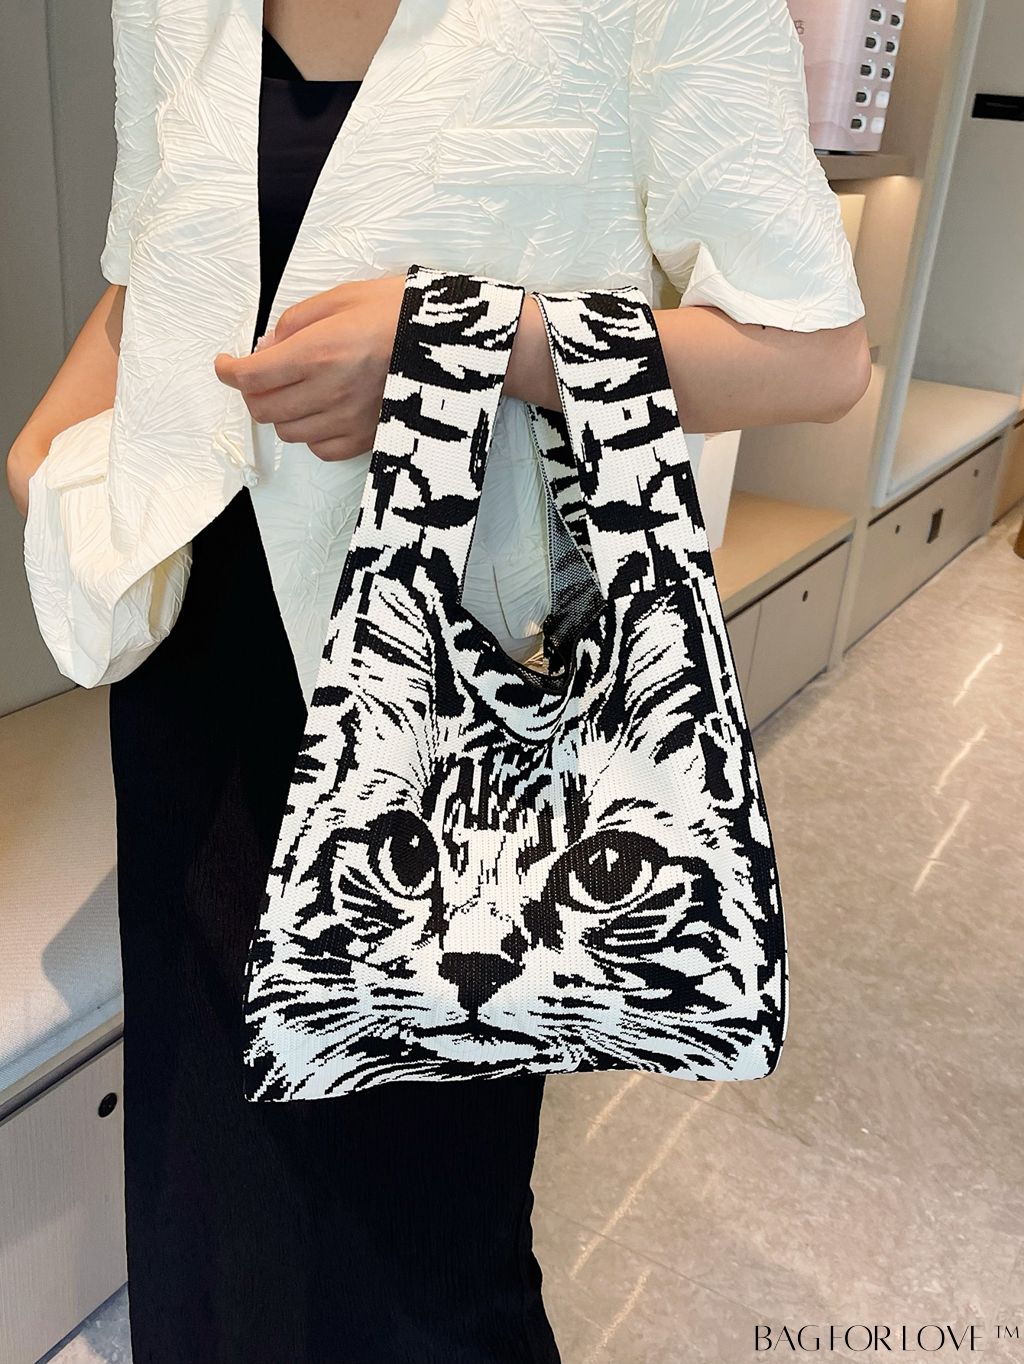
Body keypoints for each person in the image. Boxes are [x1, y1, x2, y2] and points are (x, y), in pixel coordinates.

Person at [7, 1, 870, 1360]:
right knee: (205, 1195)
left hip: (460, 697)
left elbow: (814, 356)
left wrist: (461, 340)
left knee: (420, 1240)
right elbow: (151, 269)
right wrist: (43, 456)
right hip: (195, 675)